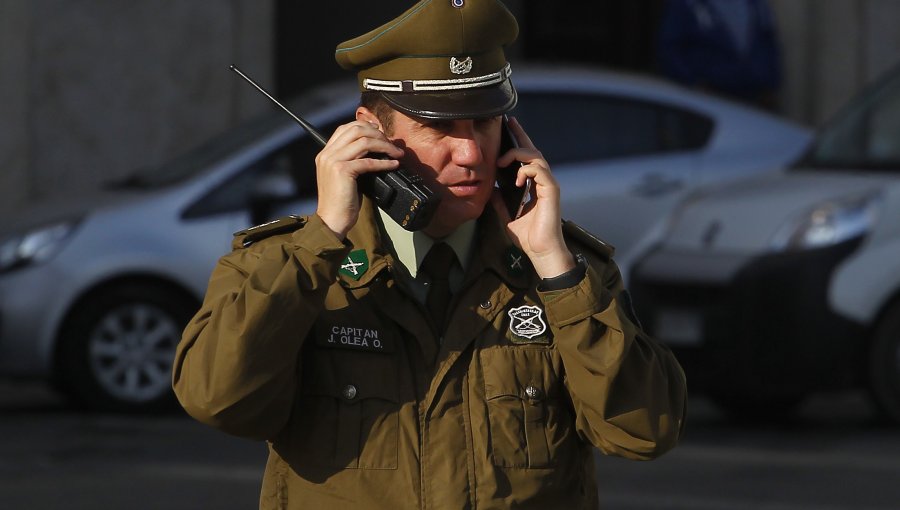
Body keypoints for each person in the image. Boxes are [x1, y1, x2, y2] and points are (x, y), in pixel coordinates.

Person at [172, 1, 687, 508]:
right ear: (369, 133)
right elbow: (220, 400)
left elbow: (644, 431)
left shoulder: (565, 273)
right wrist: (323, 237)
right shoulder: (291, 266)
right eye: (440, 128)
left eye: (485, 124)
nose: (470, 154)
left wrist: (555, 268)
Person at [657, 0, 782, 109]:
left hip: (753, 97)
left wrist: (771, 84)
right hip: (710, 98)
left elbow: (769, 42)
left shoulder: (755, 4)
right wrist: (692, 83)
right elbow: (670, 48)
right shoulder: (689, 4)